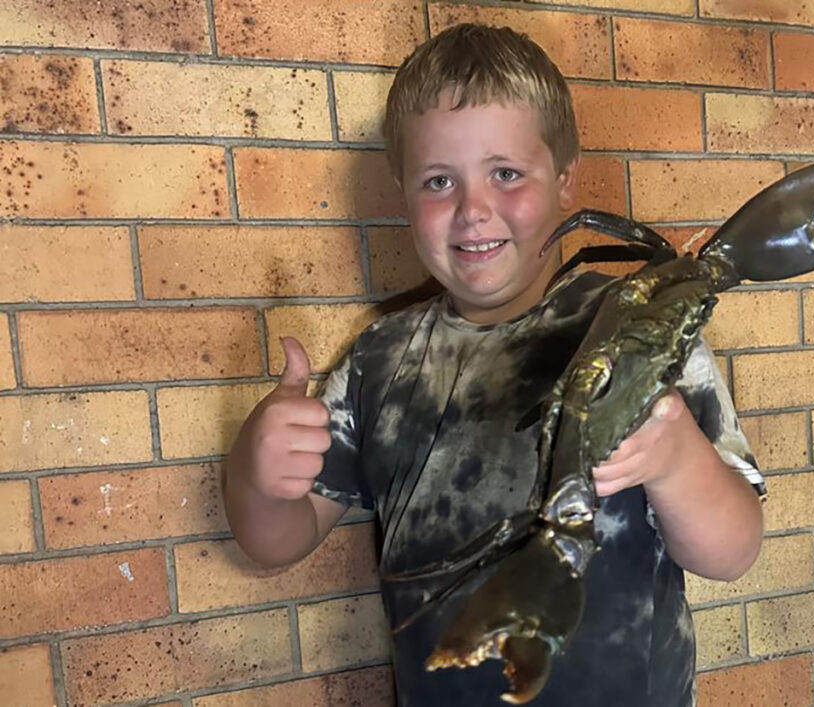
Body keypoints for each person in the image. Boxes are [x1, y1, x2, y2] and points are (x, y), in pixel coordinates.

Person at [223, 22, 765, 707]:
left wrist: (678, 460)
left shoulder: (638, 327)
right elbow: (278, 539)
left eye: (505, 173)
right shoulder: (378, 359)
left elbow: (733, 551)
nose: (473, 210)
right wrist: (258, 473)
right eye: (438, 181)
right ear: (402, 195)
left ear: (566, 180)